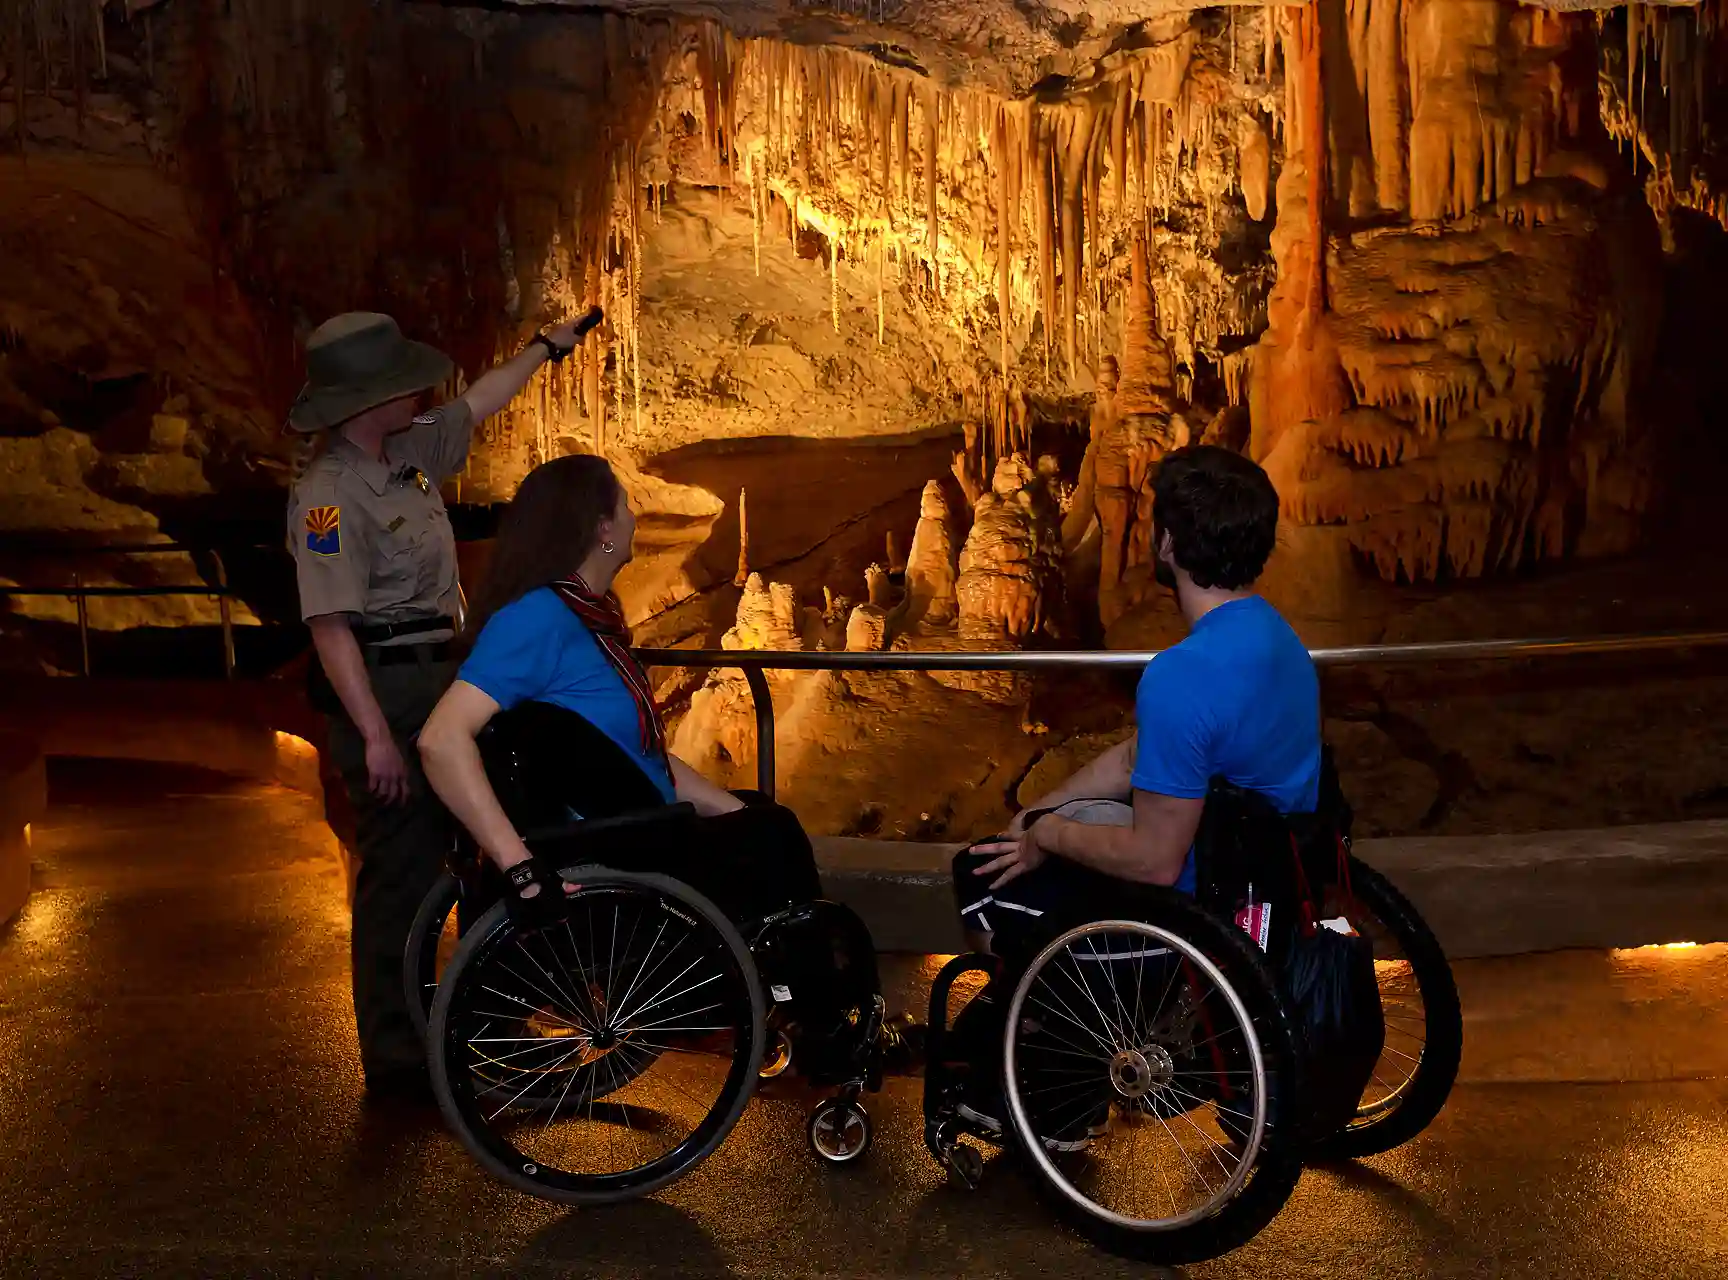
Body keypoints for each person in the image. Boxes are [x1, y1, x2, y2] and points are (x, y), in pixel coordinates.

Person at [945, 444, 1322, 1143]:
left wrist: (1048, 837)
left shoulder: (1182, 676)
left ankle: (1060, 1074)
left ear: (1171, 543)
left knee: (979, 873)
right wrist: (1040, 810)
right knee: (1023, 843)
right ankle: (1041, 1028)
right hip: (1265, 860)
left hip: (1202, 896)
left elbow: (1153, 859)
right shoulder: (1277, 637)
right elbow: (1136, 757)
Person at [287, 306, 604, 1102]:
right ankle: (398, 1062)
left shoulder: (408, 450)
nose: (421, 391)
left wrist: (543, 348)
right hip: (384, 683)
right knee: (401, 870)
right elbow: (330, 628)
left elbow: (481, 403)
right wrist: (376, 739)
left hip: (447, 669)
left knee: (482, 851)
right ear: (366, 401)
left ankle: (486, 1027)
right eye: (402, 384)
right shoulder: (327, 498)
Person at [416, 454, 822, 928]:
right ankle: (810, 995)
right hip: (626, 848)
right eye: (627, 506)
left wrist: (732, 811)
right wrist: (521, 867)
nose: (636, 517)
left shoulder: (589, 618)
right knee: (777, 834)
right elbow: (439, 740)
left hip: (642, 829)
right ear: (603, 529)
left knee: (762, 817)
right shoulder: (539, 618)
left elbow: (641, 757)